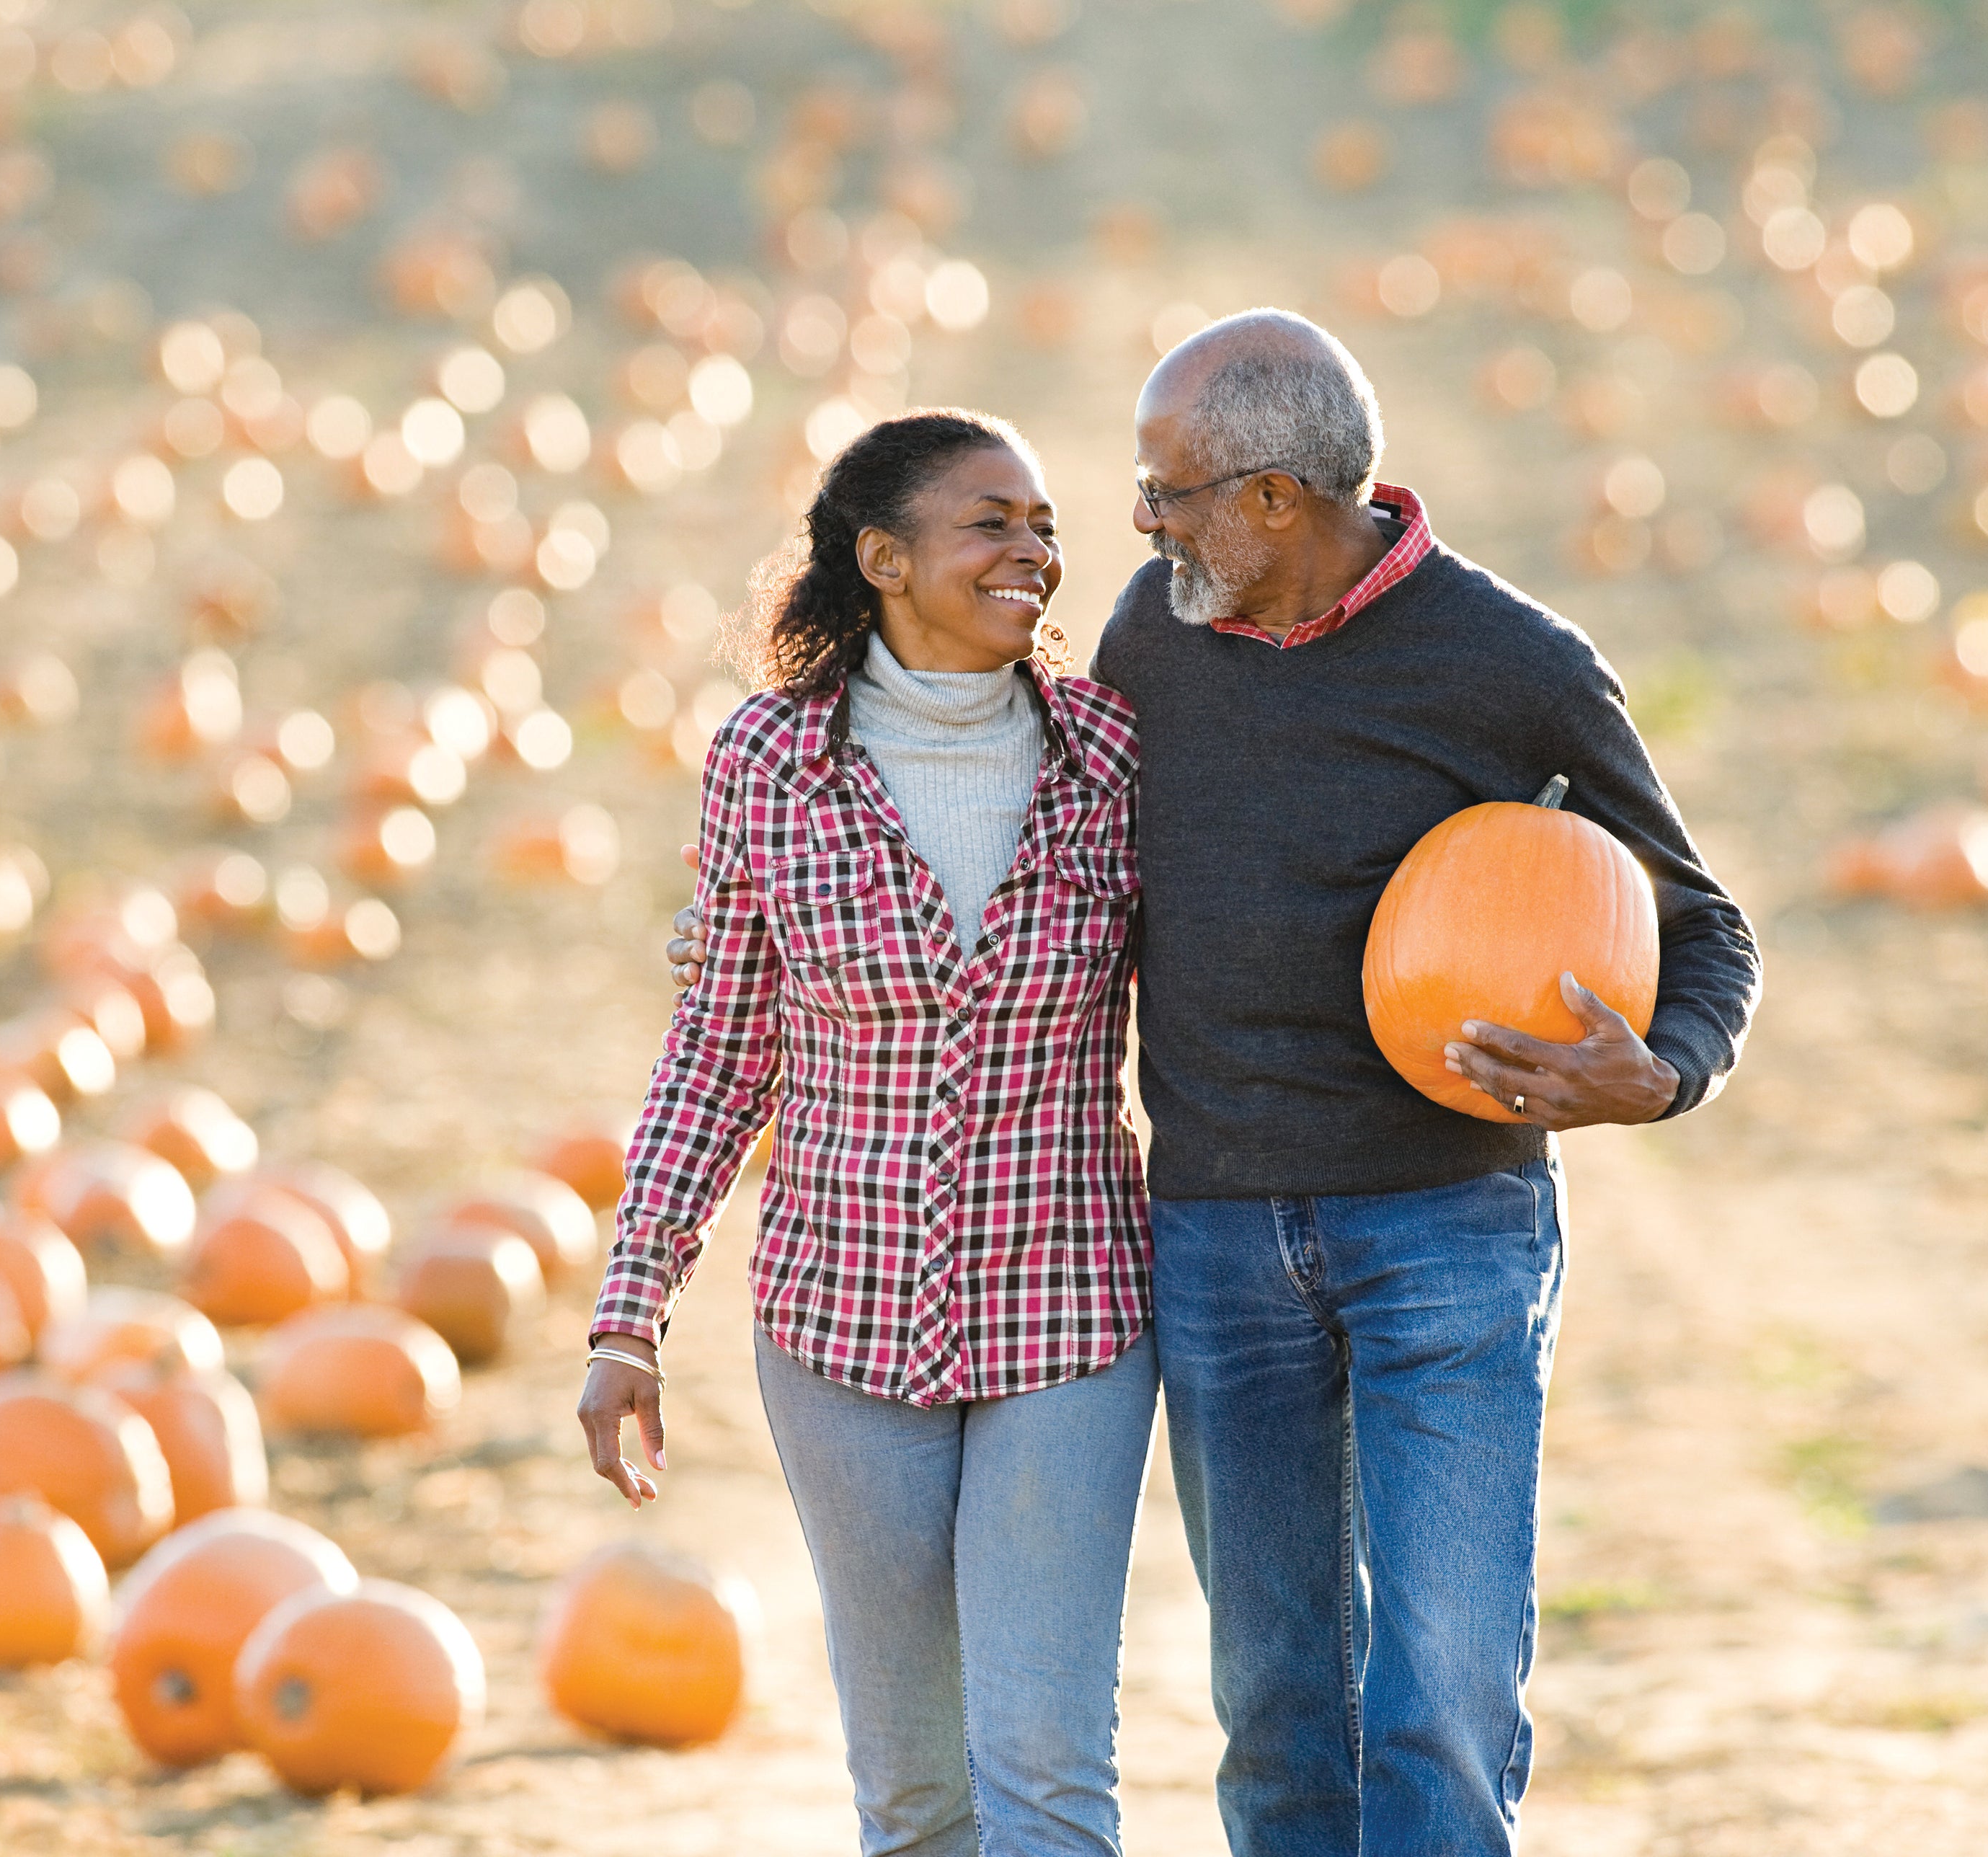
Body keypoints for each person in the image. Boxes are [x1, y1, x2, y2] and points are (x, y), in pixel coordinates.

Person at [672, 311, 1762, 1857]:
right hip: (1216, 1239)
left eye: (1167, 493)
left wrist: (1661, 1075)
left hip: (1448, 1227)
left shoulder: (1511, 664)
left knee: (1443, 1686)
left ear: (1272, 499)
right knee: (1273, 1693)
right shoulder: (1151, 642)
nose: (1139, 526)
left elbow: (1701, 922)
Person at [579, 408, 1160, 1857]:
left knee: (1047, 1768)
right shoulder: (767, 765)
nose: (1032, 549)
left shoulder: (1111, 754)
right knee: (912, 1794)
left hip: (1071, 1311)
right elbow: (716, 1056)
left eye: (1043, 525)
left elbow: (1226, 969)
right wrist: (628, 1316)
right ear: (883, 555)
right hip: (839, 1324)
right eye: (991, 522)